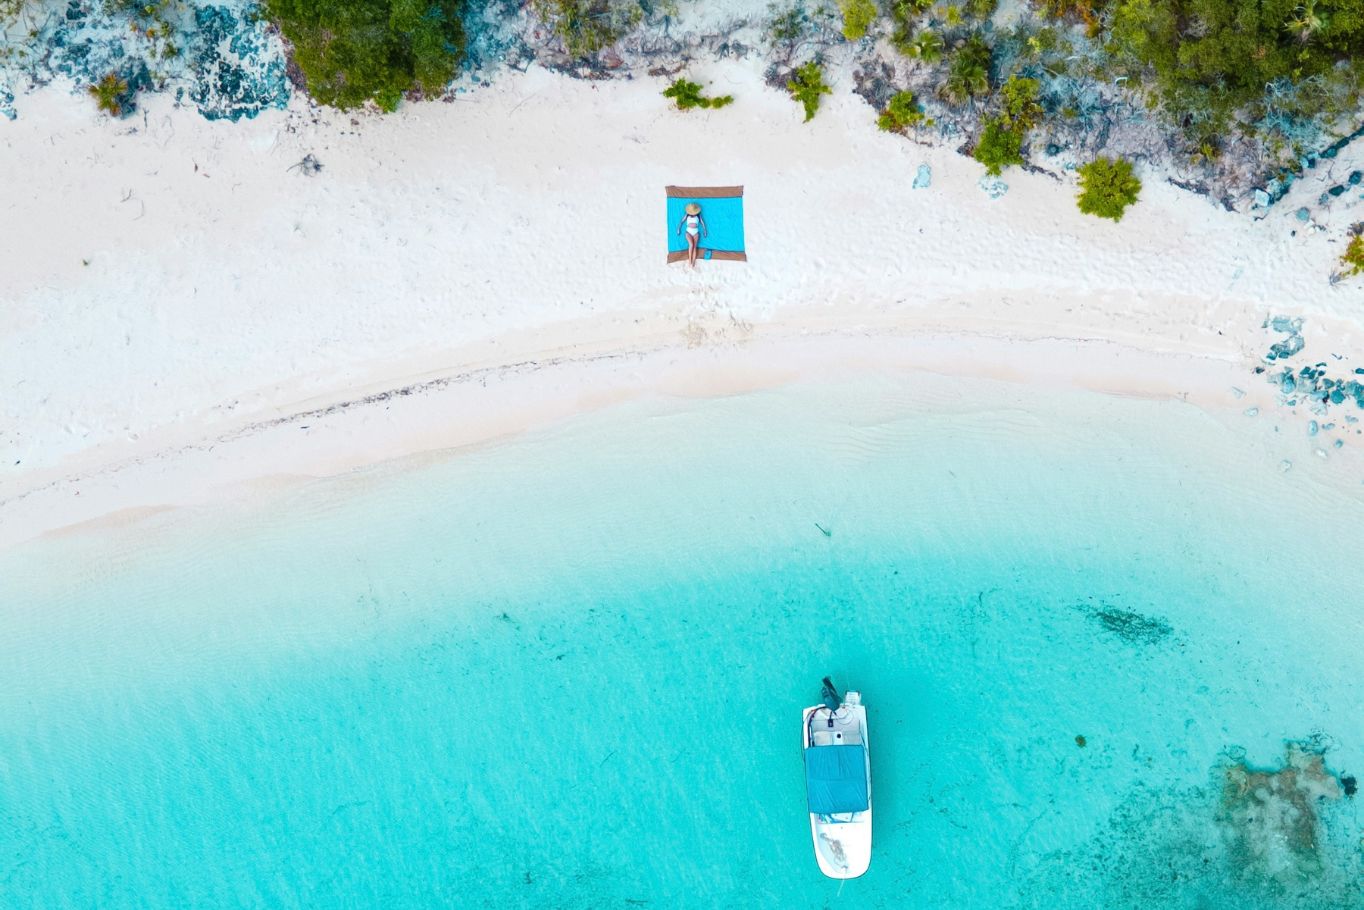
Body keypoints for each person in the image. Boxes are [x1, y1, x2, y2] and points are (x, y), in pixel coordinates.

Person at [675, 202, 708, 267]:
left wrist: (705, 230)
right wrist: (678, 229)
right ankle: (690, 260)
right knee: (691, 244)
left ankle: (693, 262)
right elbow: (682, 221)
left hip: (696, 232)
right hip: (688, 232)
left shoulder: (698, 215)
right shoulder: (687, 215)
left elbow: (702, 223)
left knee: (695, 246)